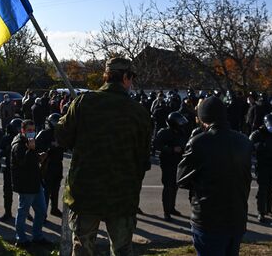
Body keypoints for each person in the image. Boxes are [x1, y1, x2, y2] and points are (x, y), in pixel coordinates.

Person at [55, 57, 152, 255]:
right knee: (122, 249)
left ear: (106, 77)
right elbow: (143, 159)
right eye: (130, 78)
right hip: (122, 195)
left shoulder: (83, 103)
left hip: (85, 193)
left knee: (83, 248)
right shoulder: (139, 113)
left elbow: (62, 137)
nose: (131, 82)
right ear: (125, 77)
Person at [177, 96, 252, 256]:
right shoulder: (244, 141)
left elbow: (181, 178)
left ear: (203, 117)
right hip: (237, 216)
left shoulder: (199, 142)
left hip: (208, 219)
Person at [11, 119, 50, 248]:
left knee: (41, 211)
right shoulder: (18, 144)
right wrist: (31, 150)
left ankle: (37, 236)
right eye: (29, 131)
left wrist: (39, 157)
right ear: (22, 130)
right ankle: (20, 239)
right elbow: (22, 163)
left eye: (33, 130)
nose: (32, 133)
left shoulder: (31, 142)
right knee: (23, 212)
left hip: (35, 182)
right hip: (25, 184)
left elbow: (32, 161)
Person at [249, 113, 272, 223]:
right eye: (271, 124)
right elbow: (250, 146)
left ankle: (268, 209)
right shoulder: (258, 134)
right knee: (263, 189)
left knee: (271, 188)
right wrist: (261, 147)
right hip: (262, 165)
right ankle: (261, 212)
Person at [152, 112, 189, 221]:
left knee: (175, 186)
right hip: (167, 162)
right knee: (168, 187)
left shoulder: (181, 132)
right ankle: (166, 212)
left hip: (178, 162)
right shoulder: (164, 132)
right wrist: (171, 149)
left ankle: (172, 208)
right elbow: (156, 145)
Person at [36, 113, 64, 217]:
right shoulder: (44, 133)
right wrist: (50, 146)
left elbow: (66, 146)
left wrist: (60, 145)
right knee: (46, 190)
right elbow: (37, 146)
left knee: (56, 188)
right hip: (48, 164)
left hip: (58, 163)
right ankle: (43, 213)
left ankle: (54, 208)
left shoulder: (60, 133)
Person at [0, 117, 22, 220]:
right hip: (9, 168)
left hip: (21, 168)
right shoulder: (6, 138)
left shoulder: (23, 138)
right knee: (7, 192)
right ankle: (7, 212)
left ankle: (25, 212)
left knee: (24, 193)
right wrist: (6, 151)